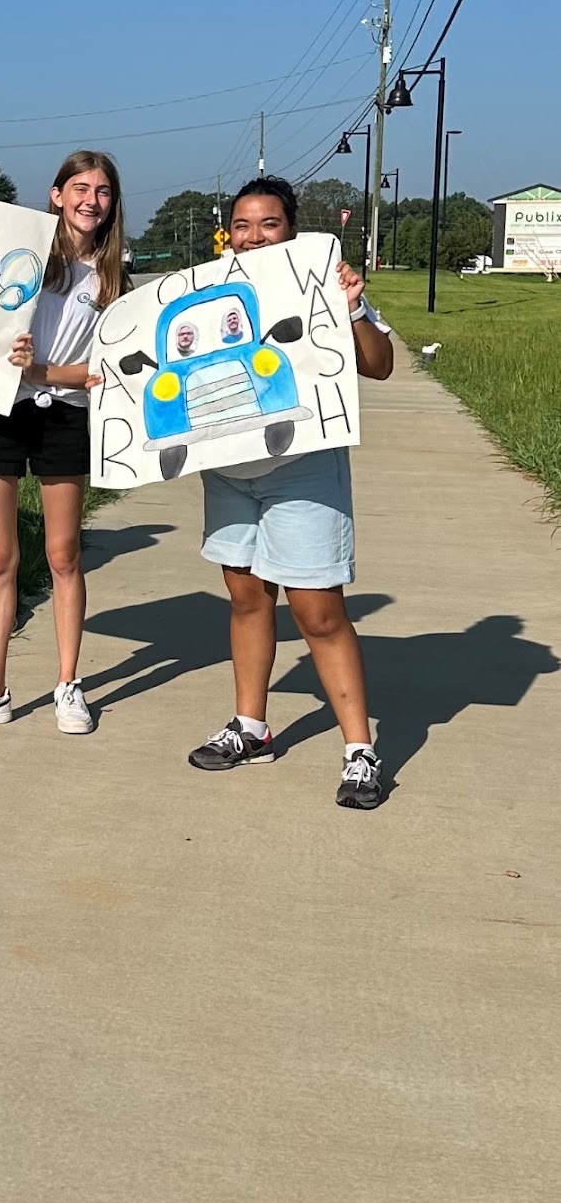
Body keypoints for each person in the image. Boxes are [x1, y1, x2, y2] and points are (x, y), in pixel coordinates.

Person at [189, 174, 394, 809]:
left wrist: (353, 307)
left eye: (269, 224)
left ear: (292, 231)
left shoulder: (323, 284)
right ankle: (251, 726)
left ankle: (360, 750)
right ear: (230, 232)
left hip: (303, 469)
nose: (255, 236)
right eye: (243, 225)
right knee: (246, 598)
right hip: (229, 471)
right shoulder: (203, 289)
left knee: (317, 613)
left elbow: (379, 363)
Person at [0, 150, 129, 735]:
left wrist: (39, 372)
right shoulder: (15, 260)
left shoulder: (114, 279)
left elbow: (103, 369)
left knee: (63, 556)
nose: (92, 200)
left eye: (104, 192)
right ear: (56, 194)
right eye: (81, 188)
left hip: (63, 418)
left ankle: (69, 684)